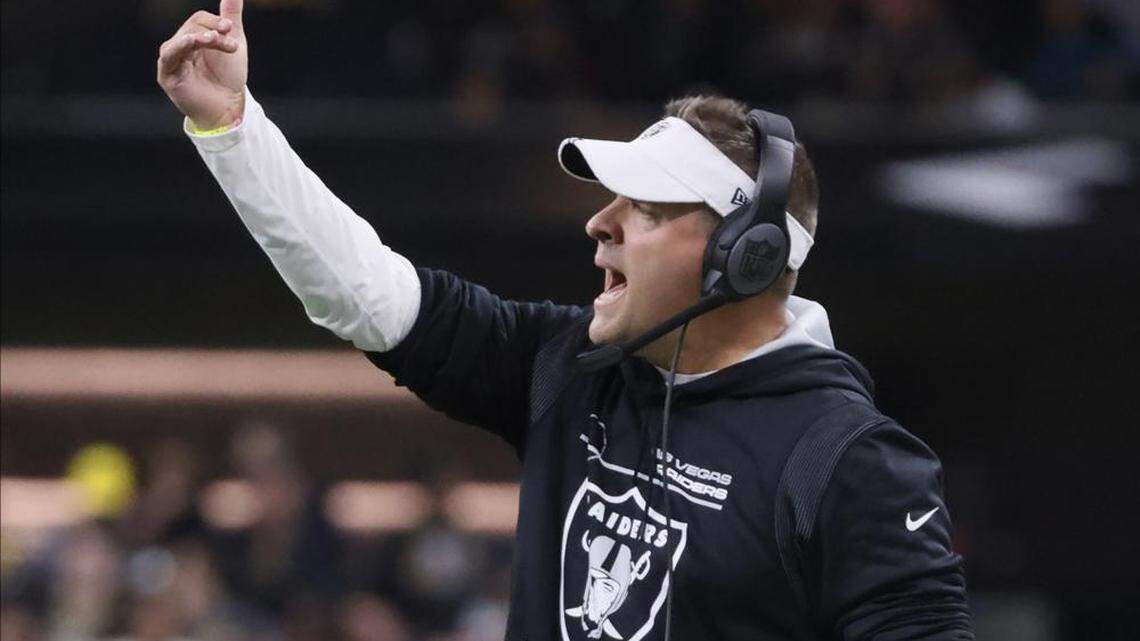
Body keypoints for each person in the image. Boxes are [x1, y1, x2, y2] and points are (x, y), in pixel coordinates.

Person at [156, 2, 975, 639]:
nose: (600, 223)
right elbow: (366, 293)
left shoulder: (849, 463)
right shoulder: (569, 366)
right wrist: (234, 128)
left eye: (645, 209)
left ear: (747, 253)